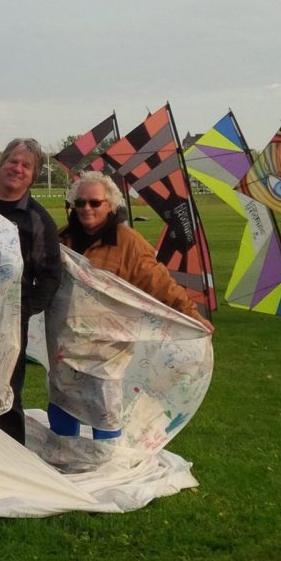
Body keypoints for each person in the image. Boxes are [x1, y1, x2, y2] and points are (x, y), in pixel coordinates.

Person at [51, 171, 214, 439]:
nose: (86, 209)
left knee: (104, 406)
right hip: (67, 342)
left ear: (110, 205)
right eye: (80, 203)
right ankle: (62, 453)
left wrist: (192, 315)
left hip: (107, 347)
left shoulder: (129, 243)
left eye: (95, 203)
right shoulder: (62, 239)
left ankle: (105, 459)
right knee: (63, 400)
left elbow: (160, 283)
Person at [0, 138, 62, 445]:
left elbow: (50, 274)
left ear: (33, 174)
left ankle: (9, 460)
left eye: (25, 165)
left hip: (9, 321)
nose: (16, 168)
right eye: (11, 161)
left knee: (5, 390)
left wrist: (23, 309)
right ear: (1, 164)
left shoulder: (39, 219)